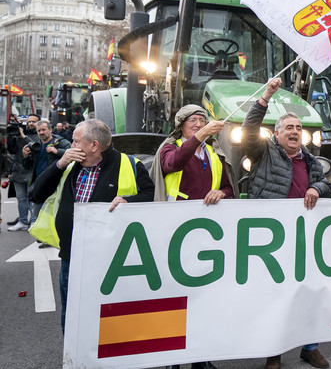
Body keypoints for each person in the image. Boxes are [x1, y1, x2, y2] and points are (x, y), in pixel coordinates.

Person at [29, 119, 154, 329]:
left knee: (108, 311)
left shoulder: (129, 164)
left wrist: (128, 201)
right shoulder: (68, 166)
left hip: (111, 258)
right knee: (72, 313)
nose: (71, 146)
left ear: (94, 145)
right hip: (72, 255)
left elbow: (150, 195)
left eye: (76, 141)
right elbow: (36, 194)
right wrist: (59, 164)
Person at [244, 78, 331, 369]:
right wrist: (266, 97)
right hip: (271, 241)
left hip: (303, 238)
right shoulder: (263, 152)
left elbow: (324, 183)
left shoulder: (310, 160)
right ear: (276, 133)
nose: (295, 132)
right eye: (289, 128)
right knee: (276, 296)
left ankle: (310, 347)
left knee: (309, 291)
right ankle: (274, 351)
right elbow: (247, 132)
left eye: (298, 128)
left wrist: (317, 189)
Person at [152, 105, 232, 203]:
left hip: (209, 215)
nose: (198, 124)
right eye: (192, 120)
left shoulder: (215, 153)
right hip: (176, 214)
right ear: (181, 126)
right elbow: (174, 163)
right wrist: (202, 133)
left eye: (202, 120)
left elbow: (229, 188)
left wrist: (222, 192)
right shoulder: (170, 148)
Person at [23, 120, 70, 225]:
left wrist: (57, 151)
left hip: (55, 184)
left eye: (43, 130)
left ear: (50, 129)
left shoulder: (60, 142)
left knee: (54, 213)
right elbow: (27, 167)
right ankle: (41, 235)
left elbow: (72, 153)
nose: (41, 132)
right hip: (39, 183)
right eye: (38, 130)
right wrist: (25, 156)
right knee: (37, 212)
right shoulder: (36, 145)